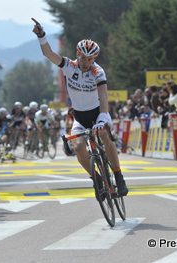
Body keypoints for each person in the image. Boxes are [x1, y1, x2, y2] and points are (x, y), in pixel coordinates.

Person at [32, 18, 128, 196]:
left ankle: (118, 176)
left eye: (90, 59)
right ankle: (96, 178)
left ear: (94, 58)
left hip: (98, 112)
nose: (86, 62)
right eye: (83, 58)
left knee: (105, 135)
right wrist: (41, 36)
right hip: (80, 117)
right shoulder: (69, 66)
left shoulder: (98, 72)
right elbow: (48, 53)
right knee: (77, 147)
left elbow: (103, 95)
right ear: (78, 54)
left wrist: (103, 116)